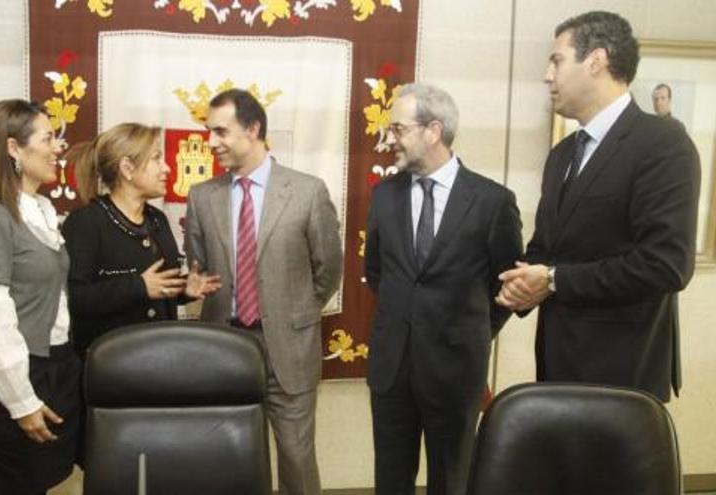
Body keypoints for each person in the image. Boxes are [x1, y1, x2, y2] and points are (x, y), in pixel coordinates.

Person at [496, 11, 700, 402]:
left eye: (556, 61)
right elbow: (548, 249)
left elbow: (666, 264)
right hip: (557, 369)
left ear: (596, 61)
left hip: (623, 377)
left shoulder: (662, 143)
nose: (547, 76)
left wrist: (552, 280)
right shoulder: (562, 154)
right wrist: (518, 286)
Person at [364, 83, 523, 495]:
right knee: (390, 481)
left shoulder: (492, 202)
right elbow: (377, 273)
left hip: (456, 370)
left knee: (452, 481)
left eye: (398, 129)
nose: (389, 139)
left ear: (433, 131)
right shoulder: (384, 196)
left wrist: (469, 332)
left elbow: (507, 288)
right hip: (392, 369)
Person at [184, 88, 343, 495]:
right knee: (228, 458)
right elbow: (199, 268)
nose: (212, 142)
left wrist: (295, 312)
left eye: (221, 131)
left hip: (289, 349)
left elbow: (328, 269)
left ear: (253, 129)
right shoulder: (202, 197)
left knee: (296, 460)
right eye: (209, 132)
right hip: (224, 347)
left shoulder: (307, 192)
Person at [0, 99, 81, 494]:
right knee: (12, 482)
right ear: (13, 148)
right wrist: (20, 400)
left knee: (40, 479)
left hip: (52, 366)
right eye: (47, 139)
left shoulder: (41, 209)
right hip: (15, 375)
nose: (58, 147)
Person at [62, 123, 221, 356]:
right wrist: (138, 287)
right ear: (127, 168)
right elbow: (76, 299)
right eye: (156, 158)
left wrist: (184, 288)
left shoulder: (157, 220)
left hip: (161, 358)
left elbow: (158, 287)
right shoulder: (85, 222)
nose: (167, 168)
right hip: (111, 363)